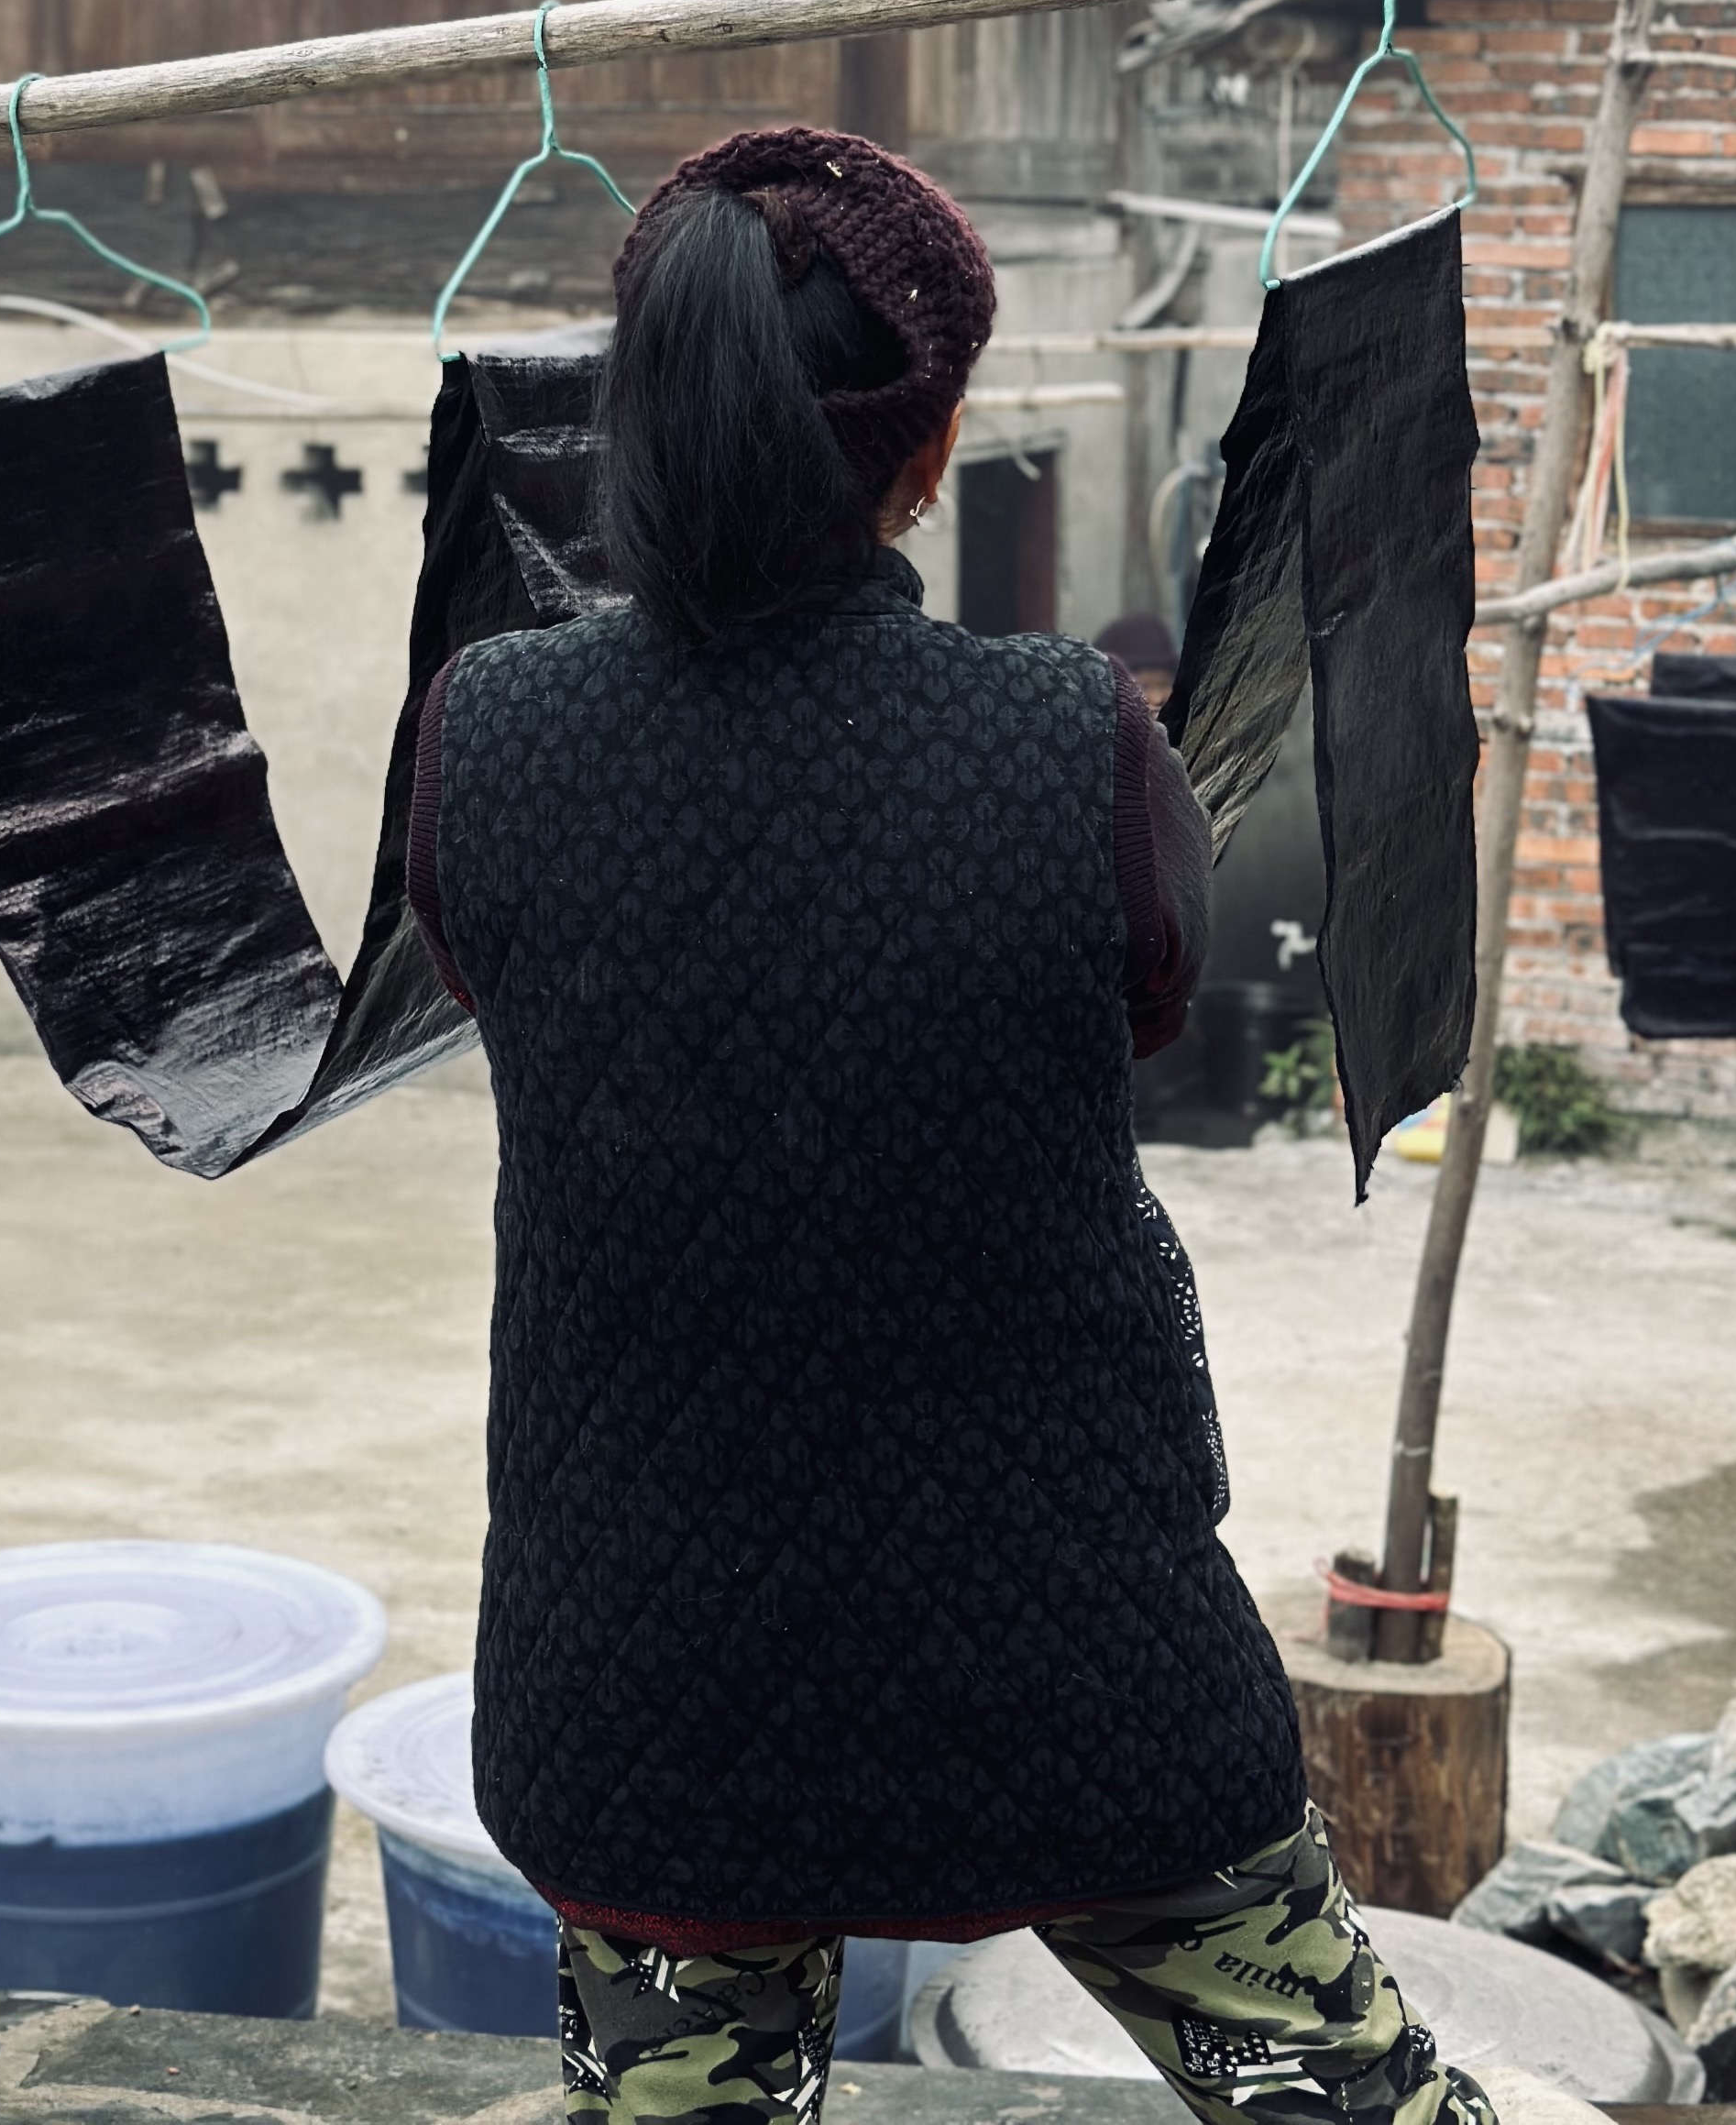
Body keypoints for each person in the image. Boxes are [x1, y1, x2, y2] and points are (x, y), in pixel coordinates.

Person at [403, 125, 1493, 2125]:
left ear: (638, 419)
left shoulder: (487, 734)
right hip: (1072, 1664)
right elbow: (1141, 1008)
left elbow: (508, 987)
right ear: (934, 446)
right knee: (1363, 2108)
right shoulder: (1069, 741)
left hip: (649, 1679)